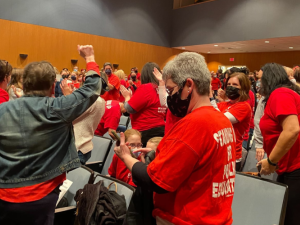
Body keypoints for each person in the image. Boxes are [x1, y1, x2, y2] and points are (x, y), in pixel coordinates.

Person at [115, 52, 236, 225]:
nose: (169, 97)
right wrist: (165, 153)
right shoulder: (222, 120)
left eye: (171, 90)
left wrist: (126, 156)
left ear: (188, 85)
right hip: (216, 215)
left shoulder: (194, 123)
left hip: (185, 219)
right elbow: (200, 162)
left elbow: (155, 181)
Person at [0, 45, 103, 225]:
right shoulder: (58, 108)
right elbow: (92, 88)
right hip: (42, 195)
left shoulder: (2, 110)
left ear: (23, 85)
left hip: (3, 194)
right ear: (51, 86)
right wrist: (89, 58)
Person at [258, 63, 300, 225]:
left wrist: (271, 161)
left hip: (295, 168)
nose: (258, 84)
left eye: (260, 80)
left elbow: (291, 130)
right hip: (288, 166)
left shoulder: (280, 93)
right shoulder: (282, 94)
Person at [60, 79, 105, 165]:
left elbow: (68, 115)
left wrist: (68, 96)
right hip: (80, 146)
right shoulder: (98, 100)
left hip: (77, 148)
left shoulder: (94, 101)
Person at [120, 62, 165, 146]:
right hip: (161, 130)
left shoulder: (146, 88)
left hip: (145, 130)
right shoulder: (162, 89)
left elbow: (129, 108)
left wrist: (127, 97)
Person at [217, 72, 252, 171]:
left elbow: (219, 120)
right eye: (229, 84)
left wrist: (210, 98)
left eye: (235, 85)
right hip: (218, 154)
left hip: (231, 157)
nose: (230, 87)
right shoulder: (223, 104)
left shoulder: (244, 106)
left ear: (243, 88)